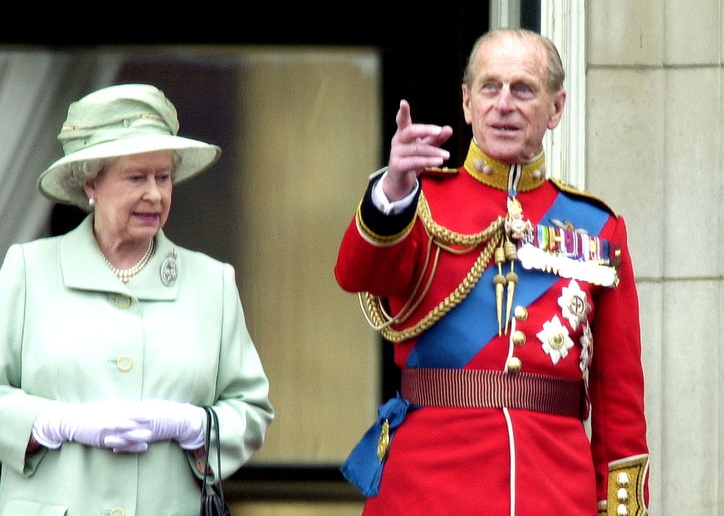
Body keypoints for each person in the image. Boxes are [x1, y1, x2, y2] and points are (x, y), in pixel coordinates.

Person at [334, 28, 649, 515]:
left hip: (554, 493)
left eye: (523, 89)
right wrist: (393, 190)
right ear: (466, 102)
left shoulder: (597, 227)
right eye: (490, 87)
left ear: (556, 107)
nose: (504, 104)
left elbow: (619, 404)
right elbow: (357, 272)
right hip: (427, 490)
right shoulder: (419, 203)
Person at [0, 84, 274, 514]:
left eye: (163, 177)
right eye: (136, 177)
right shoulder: (28, 272)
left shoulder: (212, 283)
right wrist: (52, 424)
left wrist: (195, 426)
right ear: (91, 181)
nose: (155, 194)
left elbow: (251, 411)